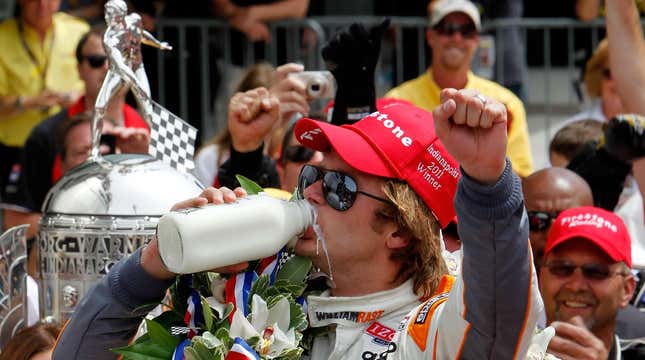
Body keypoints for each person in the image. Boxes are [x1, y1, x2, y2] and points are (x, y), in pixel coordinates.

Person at [53, 86, 543, 359]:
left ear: (399, 229)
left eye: (339, 188)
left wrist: (487, 183)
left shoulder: (433, 330)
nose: (309, 191)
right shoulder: (247, 291)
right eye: (313, 173)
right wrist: (151, 268)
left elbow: (497, 322)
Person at [1, 26, 149, 242]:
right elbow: (14, 223)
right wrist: (80, 221)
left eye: (122, 58)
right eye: (98, 60)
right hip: (64, 262)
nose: (110, 67)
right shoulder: (47, 134)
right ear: (79, 69)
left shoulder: (151, 130)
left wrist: (145, 161)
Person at [385, 0, 533, 178]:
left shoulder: (506, 103)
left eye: (466, 31)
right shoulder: (396, 101)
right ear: (430, 36)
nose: (456, 38)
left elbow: (522, 175)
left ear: (476, 40)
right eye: (447, 29)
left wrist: (485, 165)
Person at [0, 0, 88, 202]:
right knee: (20, 221)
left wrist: (75, 98)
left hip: (70, 147)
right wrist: (28, 102)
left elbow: (99, 80)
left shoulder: (78, 30)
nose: (42, 5)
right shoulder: (2, 36)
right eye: (34, 0)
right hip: (16, 149)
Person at [540, 206, 645, 359]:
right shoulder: (504, 348)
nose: (576, 286)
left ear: (627, 290)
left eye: (596, 272)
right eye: (562, 269)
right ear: (541, 279)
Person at [91, 0, 170, 157]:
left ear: (121, 15)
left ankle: (161, 149)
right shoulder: (109, 38)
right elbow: (120, 66)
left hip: (136, 67)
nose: (107, 17)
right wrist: (135, 84)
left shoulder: (134, 20)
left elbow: (141, 35)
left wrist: (158, 44)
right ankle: (94, 149)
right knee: (99, 107)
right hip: (118, 71)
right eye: (106, 13)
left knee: (147, 108)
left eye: (110, 14)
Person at [522, 167, 594, 269]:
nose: (551, 234)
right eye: (538, 220)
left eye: (569, 222)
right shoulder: (495, 280)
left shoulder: (614, 280)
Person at [562, 39, 624, 127]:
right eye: (609, 73)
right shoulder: (575, 128)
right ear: (598, 78)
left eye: (625, 74)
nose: (617, 81)